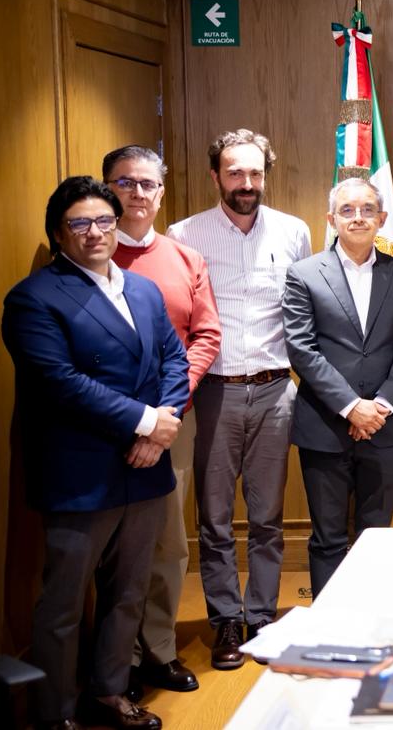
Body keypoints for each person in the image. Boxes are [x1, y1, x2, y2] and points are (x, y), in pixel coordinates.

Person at [4, 176, 189, 730]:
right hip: (81, 473)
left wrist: (159, 430)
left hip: (145, 466)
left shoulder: (143, 290)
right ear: (58, 233)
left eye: (104, 220)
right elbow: (59, 382)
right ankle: (54, 713)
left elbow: (174, 360)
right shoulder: (33, 297)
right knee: (63, 603)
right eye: (79, 223)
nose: (94, 232)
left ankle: (107, 694)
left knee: (128, 592)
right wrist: (145, 423)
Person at [166, 129, 312, 670]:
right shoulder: (185, 235)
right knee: (215, 517)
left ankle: (262, 616)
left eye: (255, 172)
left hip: (276, 390)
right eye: (235, 173)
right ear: (216, 176)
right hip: (214, 392)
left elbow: (302, 310)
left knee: (269, 515)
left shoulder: (293, 232)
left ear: (265, 174)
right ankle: (226, 619)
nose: (246, 183)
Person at [103, 146, 222, 703]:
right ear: (106, 189)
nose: (137, 193)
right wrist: (135, 419)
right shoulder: (88, 256)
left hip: (174, 420)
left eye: (148, 184)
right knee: (110, 545)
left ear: (162, 192)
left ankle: (158, 649)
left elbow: (205, 336)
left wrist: (167, 412)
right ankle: (116, 659)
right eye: (125, 183)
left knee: (168, 542)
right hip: (103, 424)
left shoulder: (184, 257)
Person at [282, 178, 393, 597]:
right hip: (325, 426)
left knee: (374, 537)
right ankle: (329, 624)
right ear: (332, 219)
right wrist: (350, 406)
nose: (357, 217)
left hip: (385, 426)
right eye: (347, 210)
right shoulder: (304, 274)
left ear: (382, 218)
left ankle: (368, 617)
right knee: (327, 537)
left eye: (367, 210)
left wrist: (380, 405)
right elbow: (301, 349)